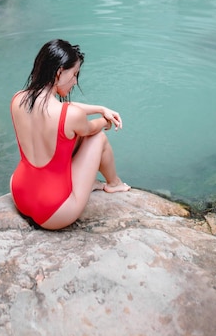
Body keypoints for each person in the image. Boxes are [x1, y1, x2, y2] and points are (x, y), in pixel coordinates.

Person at [10, 38, 130, 230]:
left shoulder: (18, 99)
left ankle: (87, 183)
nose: (75, 81)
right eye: (74, 74)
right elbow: (89, 128)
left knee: (67, 137)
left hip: (20, 194)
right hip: (54, 211)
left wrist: (100, 108)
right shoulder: (69, 116)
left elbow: (63, 109)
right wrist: (105, 121)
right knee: (97, 137)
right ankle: (114, 183)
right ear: (59, 72)